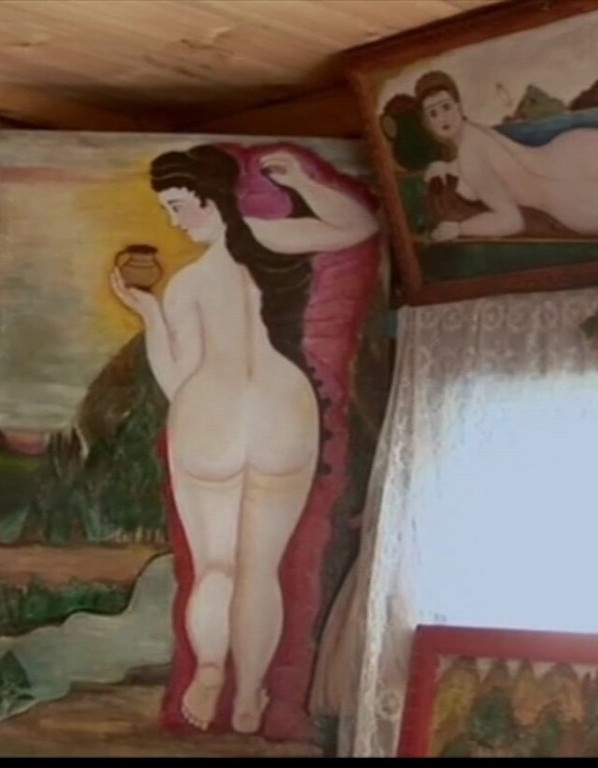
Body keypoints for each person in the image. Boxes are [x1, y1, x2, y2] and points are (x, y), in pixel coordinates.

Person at [111, 145, 377, 734]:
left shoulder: (188, 284)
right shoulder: (275, 239)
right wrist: (303, 181)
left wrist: (150, 314)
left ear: (208, 197)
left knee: (216, 566)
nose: (174, 221)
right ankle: (251, 692)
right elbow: (361, 225)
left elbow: (177, 382)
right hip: (284, 409)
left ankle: (211, 671)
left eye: (177, 205)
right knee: (262, 569)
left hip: (210, 413)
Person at [417, 70, 598, 242]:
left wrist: (459, 229)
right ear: (427, 122)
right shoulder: (474, 132)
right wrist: (447, 167)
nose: (443, 118)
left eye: (446, 107)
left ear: (458, 106)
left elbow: (511, 222)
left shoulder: (470, 155)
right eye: (433, 113)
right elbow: (495, 162)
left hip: (570, 195)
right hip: (572, 151)